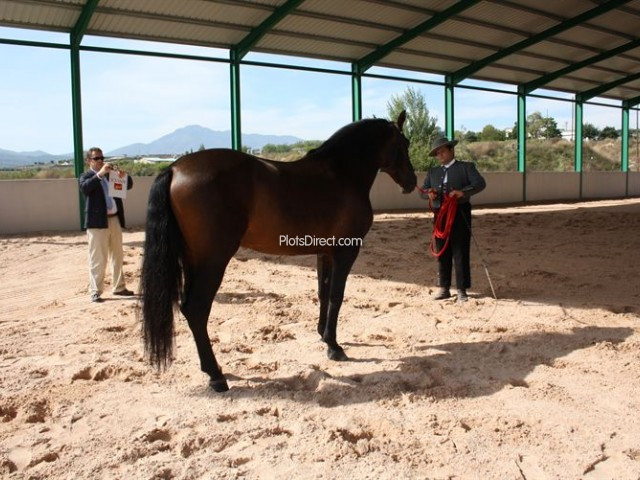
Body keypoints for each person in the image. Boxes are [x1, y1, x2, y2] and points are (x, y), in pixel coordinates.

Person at [420, 137, 486, 302]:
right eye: (437, 153)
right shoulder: (432, 172)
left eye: (442, 151)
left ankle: (462, 290)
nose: (439, 155)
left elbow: (480, 183)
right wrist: (429, 193)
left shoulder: (466, 167)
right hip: (439, 215)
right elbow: (422, 192)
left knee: (460, 250)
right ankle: (444, 288)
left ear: (451, 150)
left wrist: (462, 192)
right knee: (442, 251)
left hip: (460, 213)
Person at [79, 147, 134, 303]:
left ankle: (119, 287)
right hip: (97, 223)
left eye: (102, 158)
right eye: (96, 158)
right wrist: (100, 174)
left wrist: (125, 176)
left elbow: (129, 185)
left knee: (117, 255)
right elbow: (85, 188)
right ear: (89, 160)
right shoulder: (86, 176)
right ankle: (95, 291)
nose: (101, 161)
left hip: (114, 219)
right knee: (98, 258)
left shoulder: (111, 176)